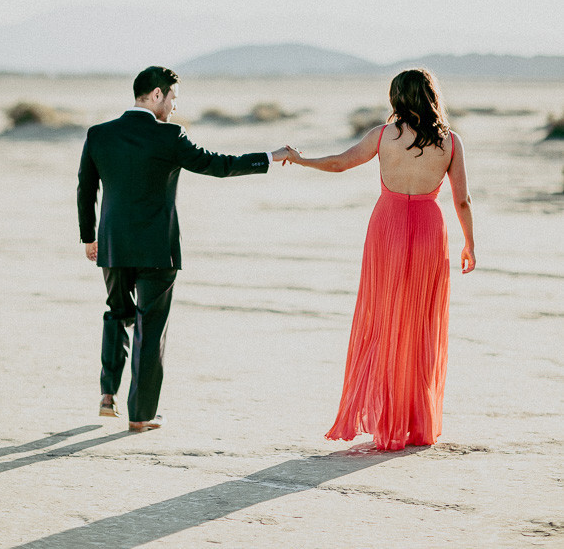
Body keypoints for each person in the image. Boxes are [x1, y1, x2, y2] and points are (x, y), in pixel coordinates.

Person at [77, 66, 290, 432]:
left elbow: (86, 188)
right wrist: (268, 157)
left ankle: (107, 393)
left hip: (112, 245)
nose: (174, 107)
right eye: (173, 98)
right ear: (157, 95)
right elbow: (218, 165)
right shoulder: (170, 135)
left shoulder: (99, 134)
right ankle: (141, 415)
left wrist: (88, 237)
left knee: (116, 313)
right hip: (158, 251)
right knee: (150, 327)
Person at [285, 68, 475, 451]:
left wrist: (301, 160)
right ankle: (415, 421)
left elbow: (340, 163)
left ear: (396, 99)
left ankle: (386, 418)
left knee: (384, 317)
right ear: (431, 96)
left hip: (386, 228)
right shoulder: (451, 142)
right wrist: (470, 243)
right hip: (428, 229)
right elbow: (462, 200)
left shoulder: (382, 135)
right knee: (420, 323)